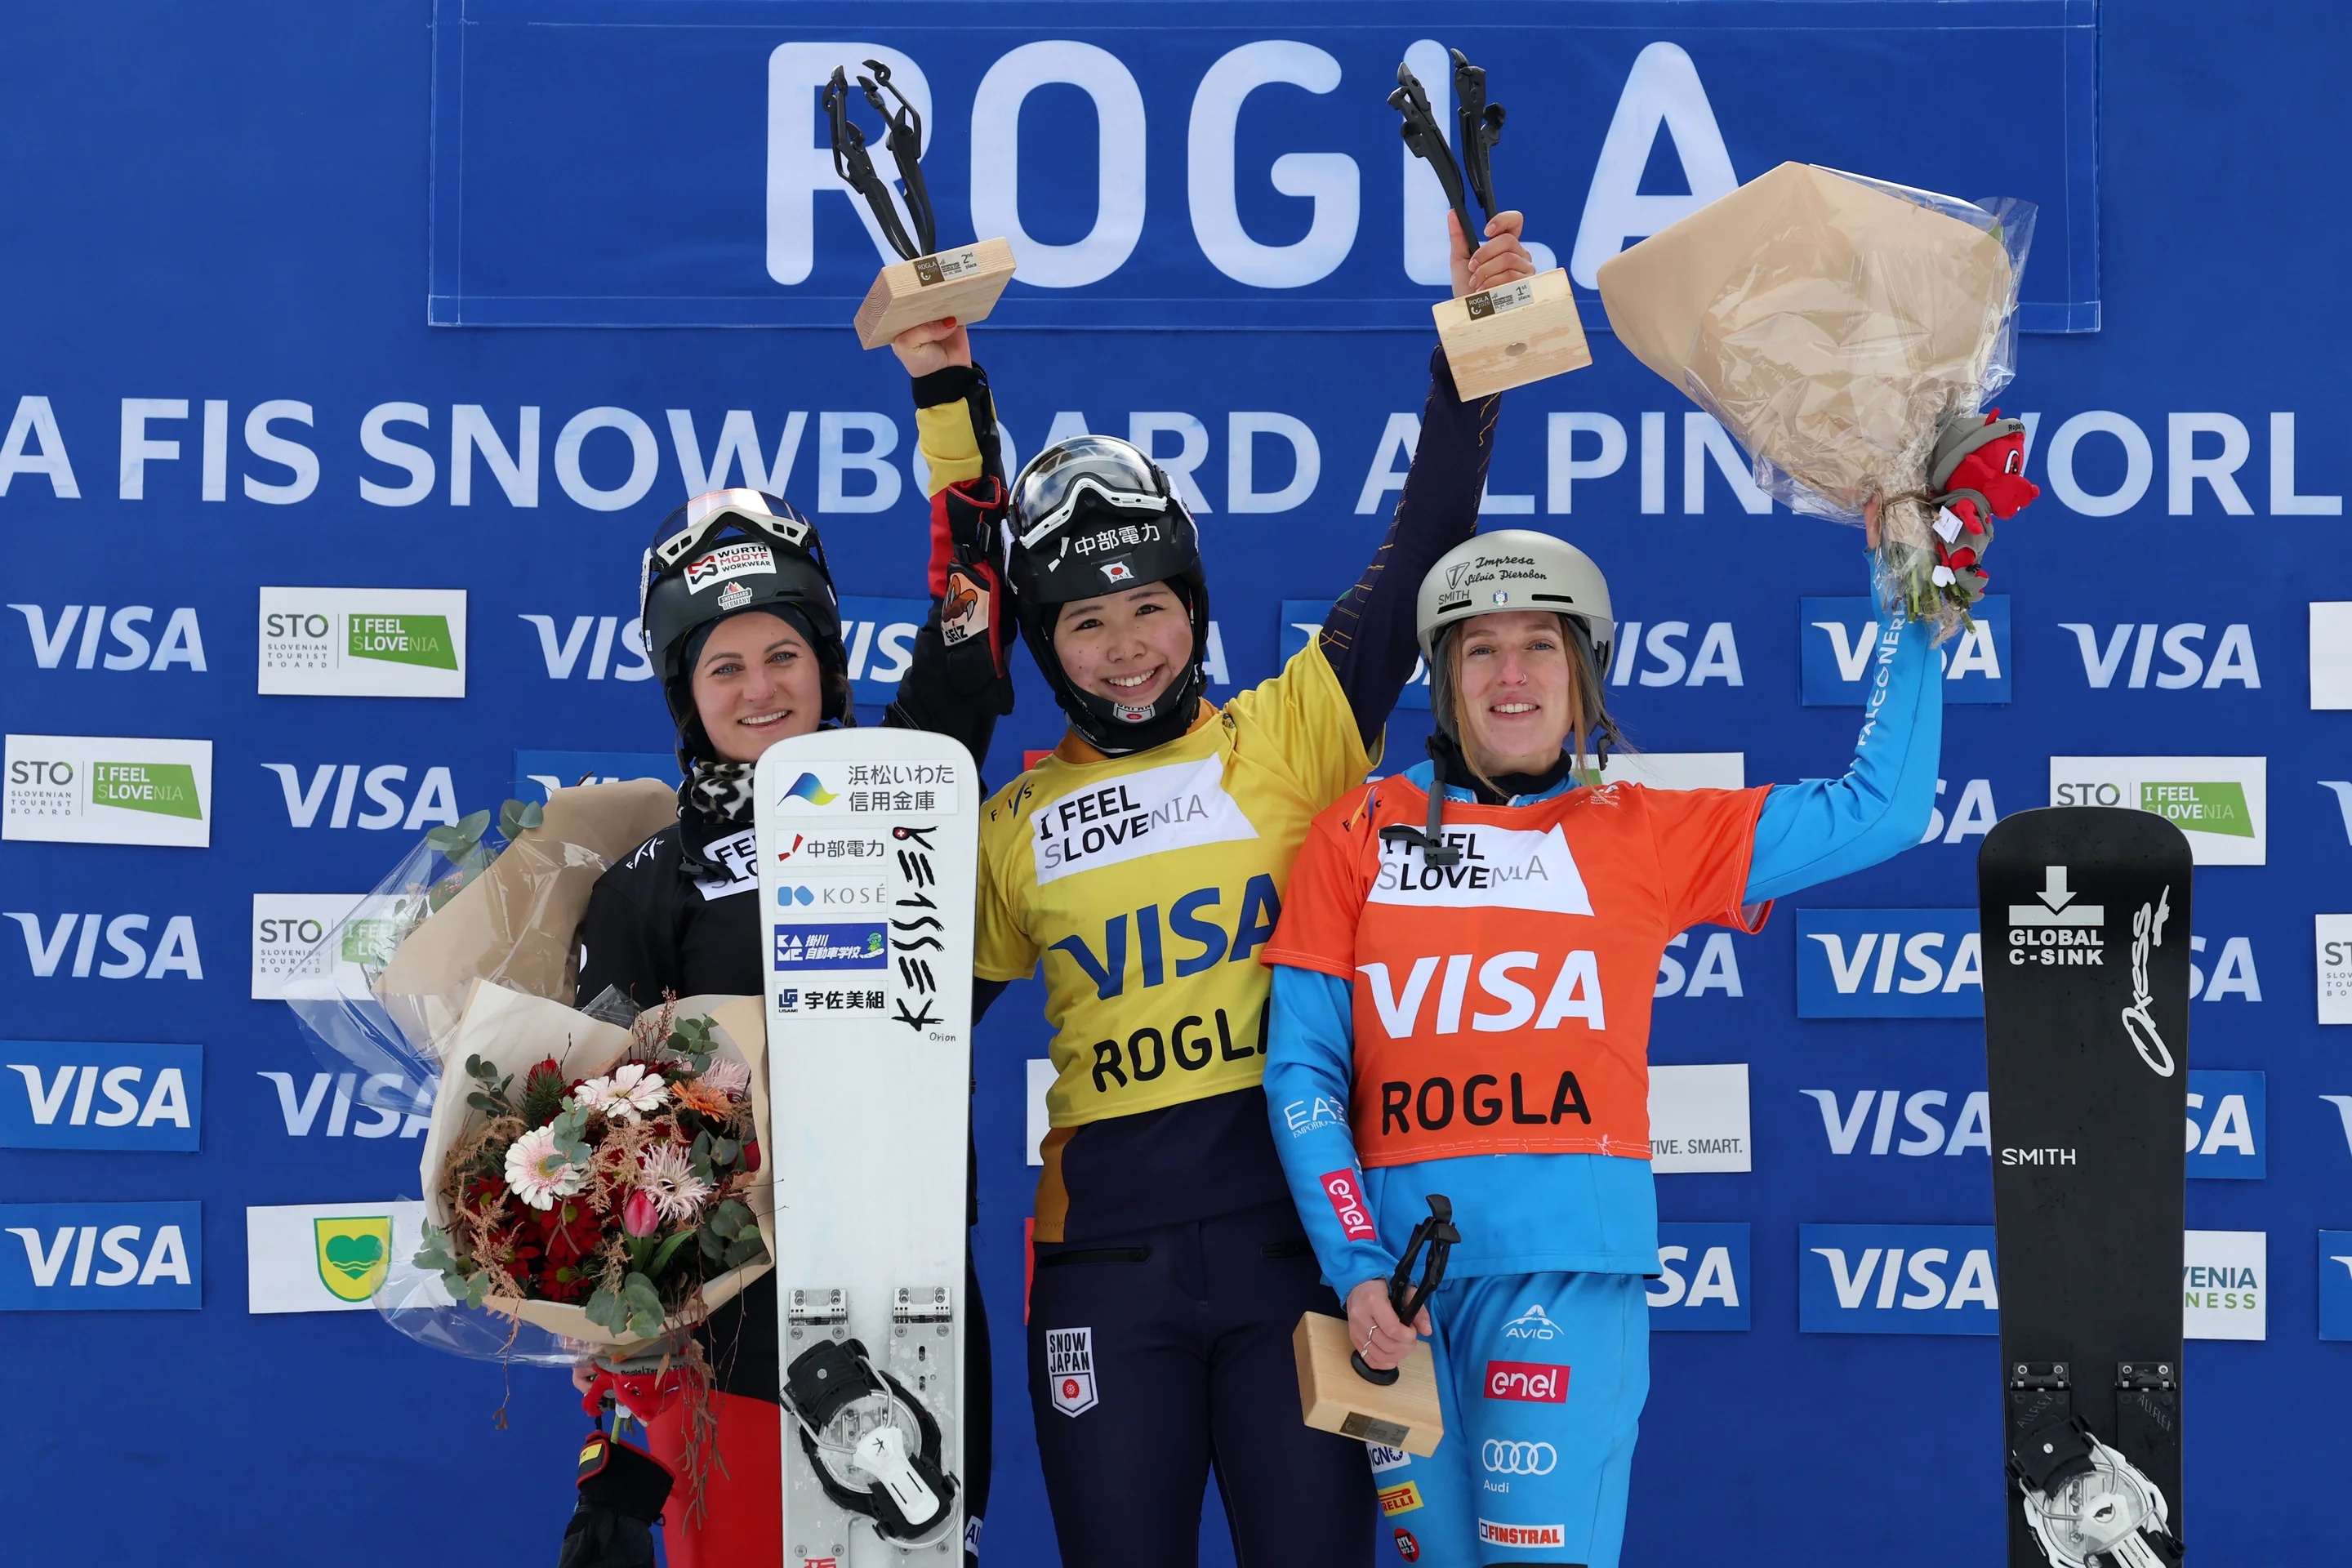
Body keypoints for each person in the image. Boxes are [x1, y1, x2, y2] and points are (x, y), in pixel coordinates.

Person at [1258, 512, 1994, 1568]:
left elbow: (1879, 811)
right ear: (1442, 675)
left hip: (1564, 1280)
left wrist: (1912, 609)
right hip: (1394, 1295)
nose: (1511, 675)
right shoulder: (1354, 833)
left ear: (1584, 671)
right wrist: (1359, 1267)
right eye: (1480, 648)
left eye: (1540, 646)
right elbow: (1304, 1074)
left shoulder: (1642, 830)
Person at [969, 211, 1534, 1567]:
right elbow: (898, 1040)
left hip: (1300, 1251)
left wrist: (1473, 348)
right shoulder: (1004, 830)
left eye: (1150, 606)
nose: (1125, 649)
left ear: (1195, 606)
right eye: (1085, 623)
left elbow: (1422, 551)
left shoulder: (1291, 730)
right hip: (1103, 1270)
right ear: (1048, 647)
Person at [568, 333, 1015, 1568]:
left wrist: (945, 398)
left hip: (915, 1293)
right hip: (733, 1349)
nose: (761, 688)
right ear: (684, 693)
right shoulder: (647, 888)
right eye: (725, 666)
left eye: (785, 653)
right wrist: (615, 1466)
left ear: (827, 661)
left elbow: (977, 601)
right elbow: (595, 1192)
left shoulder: (906, 785)